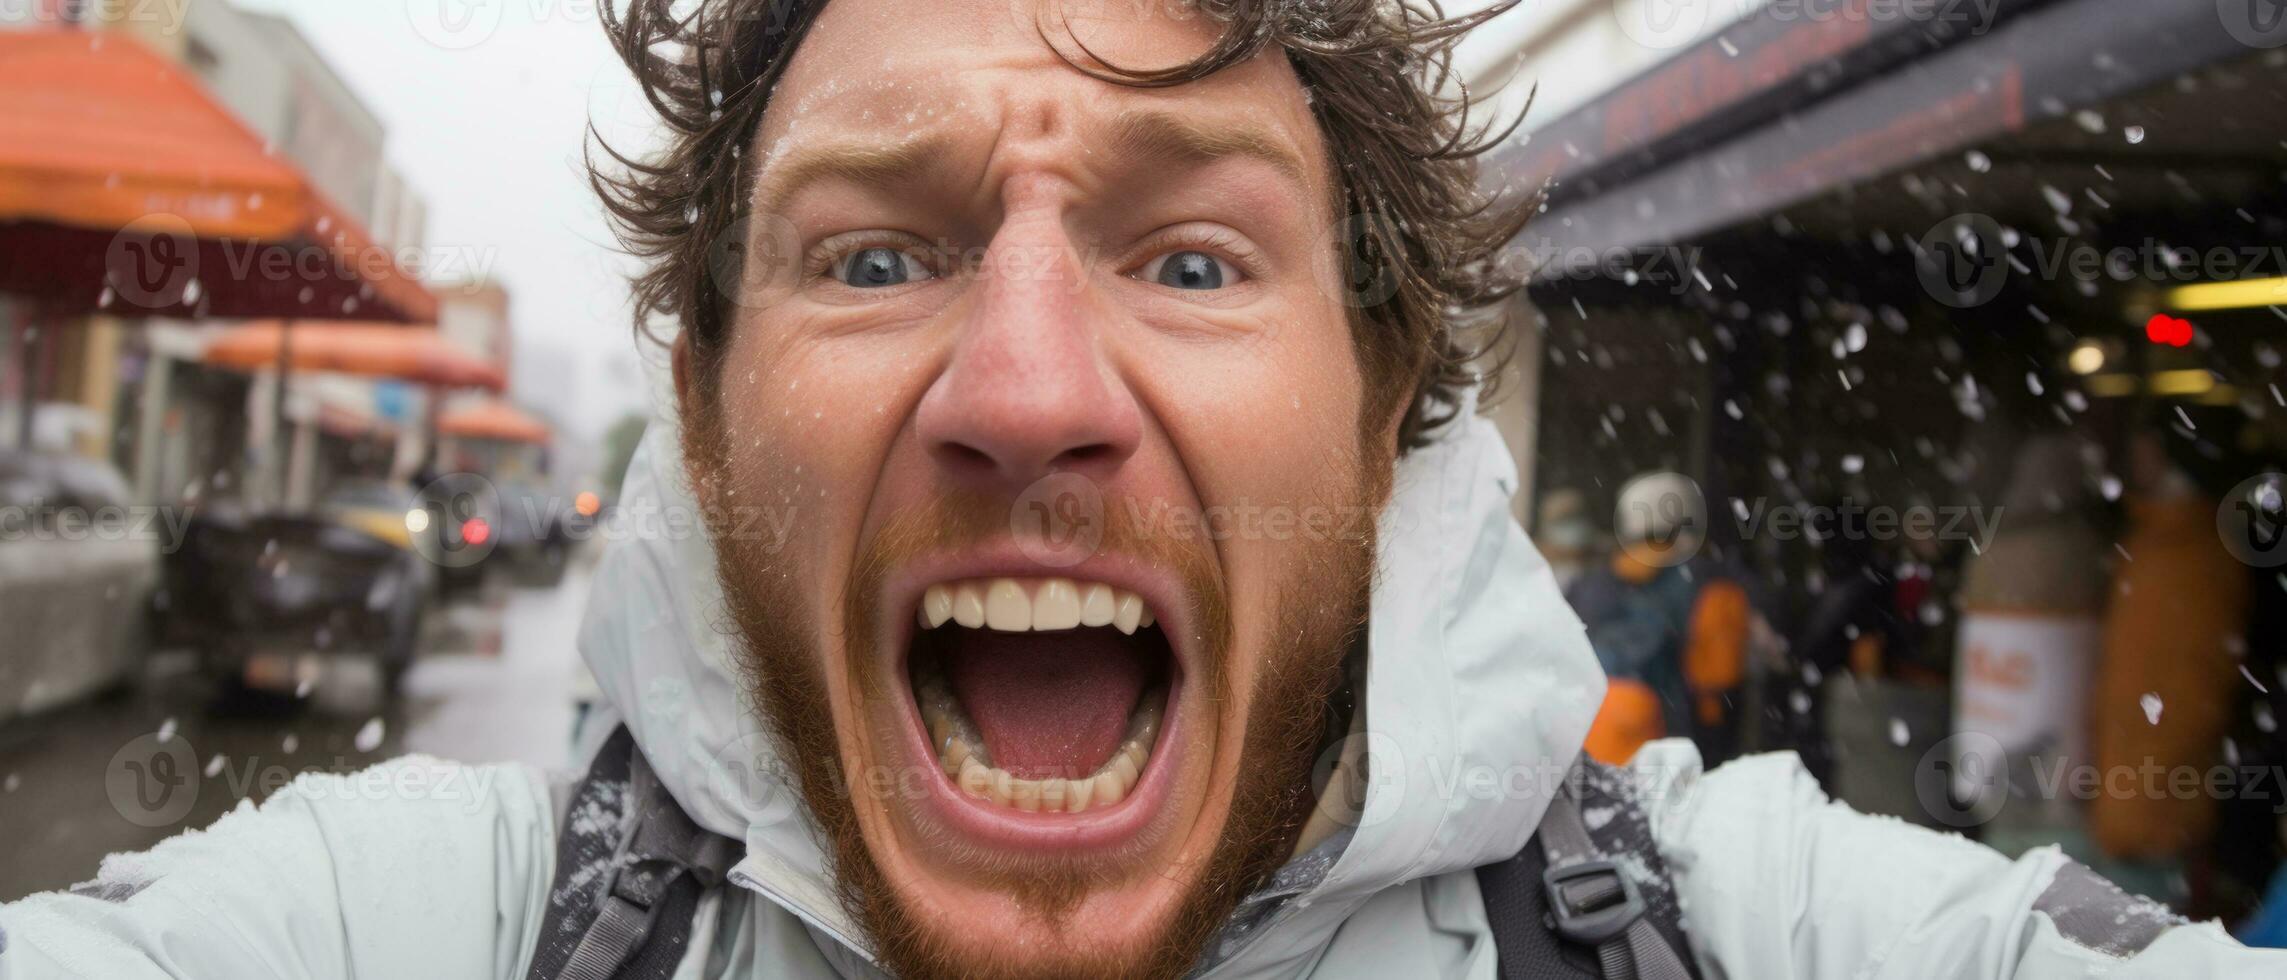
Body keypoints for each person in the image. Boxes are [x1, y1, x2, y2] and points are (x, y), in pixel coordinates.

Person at [2, 1, 2279, 977]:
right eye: (876, 252)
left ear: (1391, 391)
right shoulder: (438, 928)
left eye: (1192, 254)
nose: (1022, 387)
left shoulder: (1732, 932)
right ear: (699, 416)